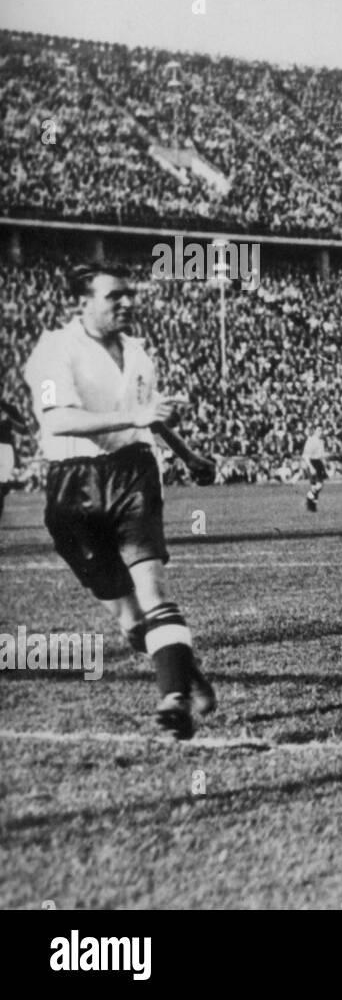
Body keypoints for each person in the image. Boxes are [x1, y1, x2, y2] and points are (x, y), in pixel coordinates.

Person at [22, 263, 217, 739]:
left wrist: (188, 455)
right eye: (115, 296)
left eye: (130, 294)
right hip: (72, 486)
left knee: (153, 590)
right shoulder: (53, 351)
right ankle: (185, 674)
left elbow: (147, 416)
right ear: (81, 303)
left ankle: (172, 700)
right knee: (131, 622)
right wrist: (135, 412)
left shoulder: (138, 352)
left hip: (132, 474)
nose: (128, 302)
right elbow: (57, 419)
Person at [0, 391, 30, 522]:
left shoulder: (8, 408)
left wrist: (10, 419)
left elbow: (23, 429)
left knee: (1, 489)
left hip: (5, 450)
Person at [302, 429, 328, 511]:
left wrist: (324, 463)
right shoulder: (311, 441)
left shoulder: (321, 441)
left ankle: (312, 505)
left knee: (317, 486)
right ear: (315, 431)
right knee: (317, 486)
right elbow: (306, 456)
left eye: (321, 430)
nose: (321, 432)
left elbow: (321, 454)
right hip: (311, 462)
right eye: (319, 430)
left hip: (318, 463)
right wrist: (311, 467)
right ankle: (310, 501)